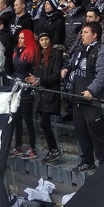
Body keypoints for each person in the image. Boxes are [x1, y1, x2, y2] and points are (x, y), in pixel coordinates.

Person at [61, 21, 104, 173]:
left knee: (96, 132)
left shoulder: (103, 51)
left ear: (94, 35)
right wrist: (65, 69)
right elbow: (72, 65)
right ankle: (87, 161)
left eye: (85, 32)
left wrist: (91, 90)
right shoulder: (79, 50)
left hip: (93, 100)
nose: (81, 35)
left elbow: (103, 75)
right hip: (77, 97)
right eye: (82, 32)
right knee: (81, 131)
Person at [26, 31, 63, 163]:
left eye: (46, 39)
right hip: (41, 94)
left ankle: (54, 150)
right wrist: (34, 80)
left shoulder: (56, 54)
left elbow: (56, 75)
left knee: (43, 123)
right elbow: (37, 73)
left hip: (52, 93)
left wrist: (40, 80)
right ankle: (52, 150)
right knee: (44, 123)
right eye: (42, 40)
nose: (44, 42)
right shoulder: (38, 55)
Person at [10, 29, 38, 159]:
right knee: (16, 119)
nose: (20, 40)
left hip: (26, 89)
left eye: (22, 38)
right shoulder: (17, 51)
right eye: (19, 38)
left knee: (28, 119)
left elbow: (34, 71)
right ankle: (18, 146)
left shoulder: (31, 52)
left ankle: (32, 147)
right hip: (16, 87)